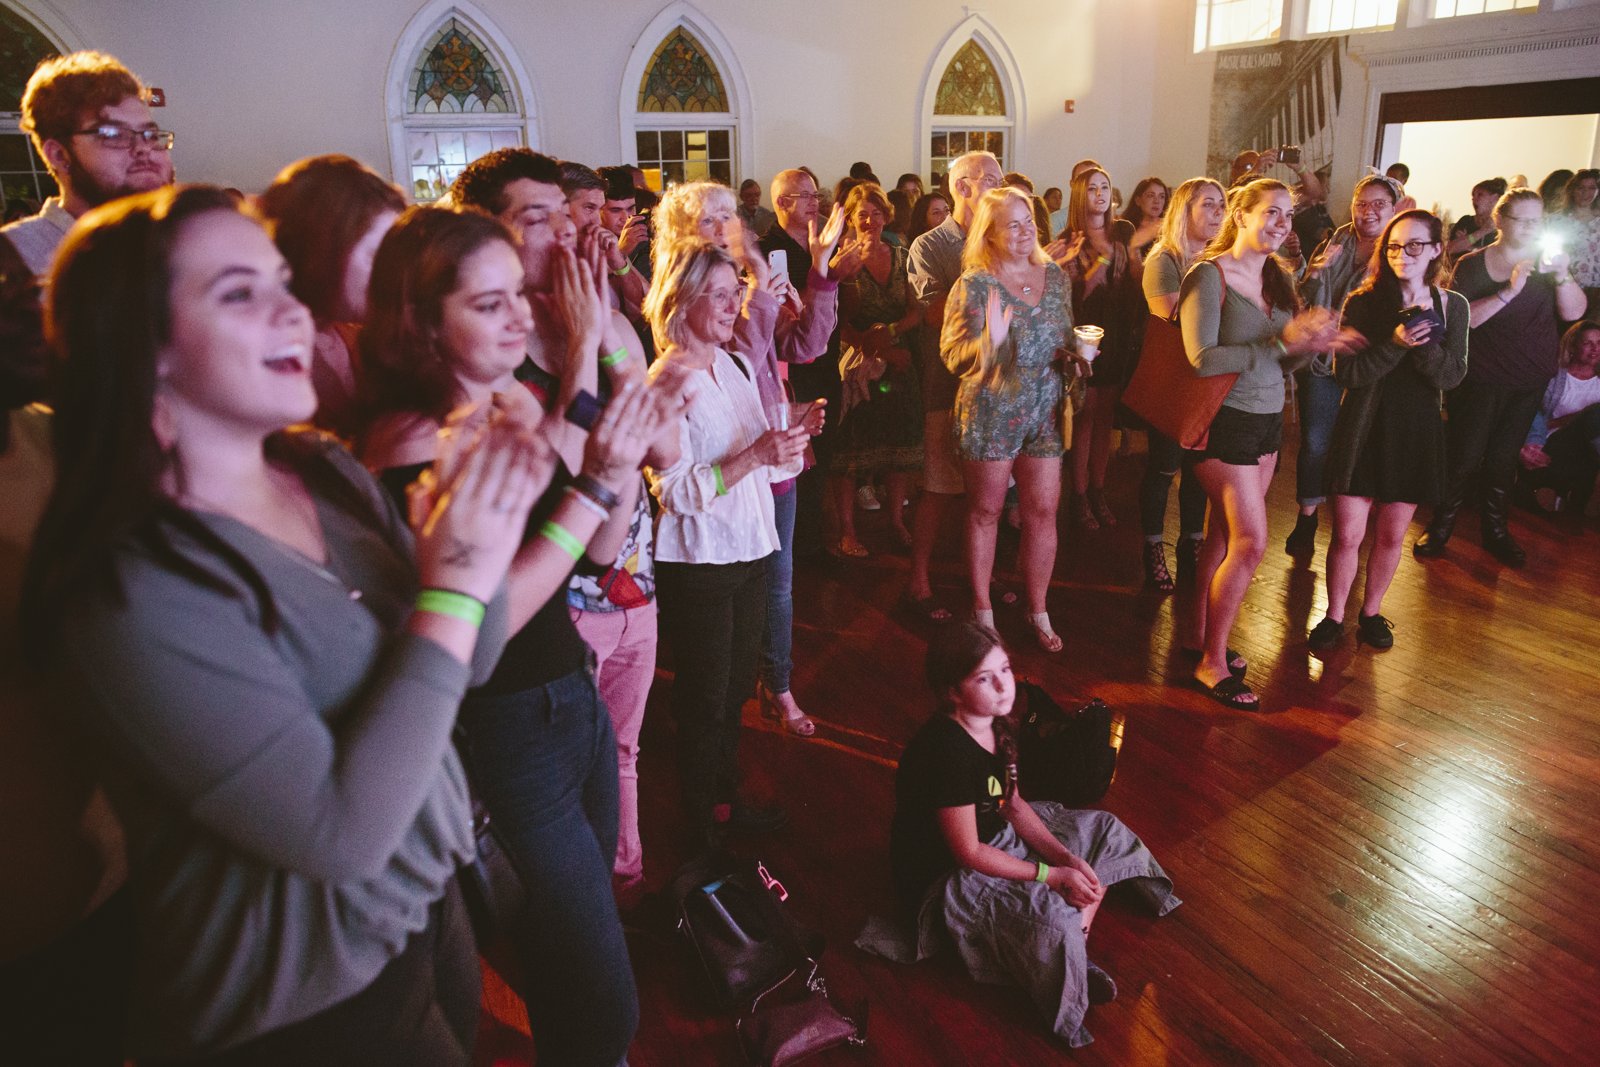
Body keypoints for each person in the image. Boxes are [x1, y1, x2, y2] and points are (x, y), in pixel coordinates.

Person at [24, 185, 538, 1064]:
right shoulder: (133, 588)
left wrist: (486, 531)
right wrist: (454, 587)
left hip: (422, 907)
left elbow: (470, 662)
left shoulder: (322, 467)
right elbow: (338, 833)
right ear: (142, 347)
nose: (292, 311)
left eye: (283, 282)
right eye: (239, 292)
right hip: (304, 1000)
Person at [358, 202, 677, 1066]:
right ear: (422, 322)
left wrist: (613, 453)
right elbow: (486, 623)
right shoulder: (412, 442)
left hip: (567, 689)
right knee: (602, 1005)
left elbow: (598, 547)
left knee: (580, 968)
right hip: (506, 721)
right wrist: (595, 480)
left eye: (516, 296)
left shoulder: (504, 408)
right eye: (487, 302)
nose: (517, 317)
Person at [887, 621, 1178, 1047]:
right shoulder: (947, 752)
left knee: (1104, 830)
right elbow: (968, 852)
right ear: (952, 693)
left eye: (1005, 670)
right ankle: (1070, 945)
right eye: (984, 679)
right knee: (1053, 919)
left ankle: (1070, 944)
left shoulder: (996, 724)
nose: (1002, 685)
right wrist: (1050, 876)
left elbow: (1014, 806)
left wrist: (1065, 859)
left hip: (994, 837)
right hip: (949, 875)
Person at [1, 206, 130, 1064]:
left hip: (119, 865)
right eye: (1, 289)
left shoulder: (53, 437)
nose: (24, 303)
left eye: (22, 284)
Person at [643, 240, 815, 851]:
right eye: (717, 294)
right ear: (681, 300)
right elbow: (673, 492)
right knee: (704, 699)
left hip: (750, 549)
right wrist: (755, 454)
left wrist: (791, 439)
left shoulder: (734, 364)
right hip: (701, 562)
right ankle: (699, 824)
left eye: (733, 291)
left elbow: (764, 465)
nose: (731, 304)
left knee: (737, 689)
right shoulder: (666, 382)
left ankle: (725, 796)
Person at [668, 175, 846, 737]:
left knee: (779, 585)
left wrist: (819, 276)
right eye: (709, 219)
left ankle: (777, 684)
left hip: (773, 451)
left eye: (729, 217)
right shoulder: (692, 302)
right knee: (737, 614)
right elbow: (739, 353)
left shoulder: (745, 284)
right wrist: (760, 292)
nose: (724, 228)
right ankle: (726, 717)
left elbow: (805, 346)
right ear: (683, 233)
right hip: (728, 469)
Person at [1178, 178, 1351, 710]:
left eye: (1288, 215)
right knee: (1251, 543)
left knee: (1221, 536)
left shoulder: (1279, 277)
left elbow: (1284, 361)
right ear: (1240, 214)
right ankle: (1211, 662)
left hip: (1268, 419)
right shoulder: (1209, 275)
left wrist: (1312, 344)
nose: (1281, 223)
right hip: (1221, 421)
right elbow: (1200, 358)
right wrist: (1279, 340)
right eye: (1271, 212)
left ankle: (1197, 637)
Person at [1310, 210, 1468, 651]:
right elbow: (1348, 374)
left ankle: (1371, 611)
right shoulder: (1363, 301)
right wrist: (1396, 344)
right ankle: (1333, 615)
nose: (1402, 254)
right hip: (1363, 428)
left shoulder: (1452, 305)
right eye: (1394, 246)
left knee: (1392, 534)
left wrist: (1423, 345)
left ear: (1436, 249)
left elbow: (1452, 376)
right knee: (1347, 534)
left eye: (1415, 245)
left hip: (1415, 431)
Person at [1414, 187, 1587, 566]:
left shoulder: (1549, 263)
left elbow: (1574, 313)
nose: (1529, 227)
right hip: (1481, 376)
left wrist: (1562, 276)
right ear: (1500, 221)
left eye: (1536, 221)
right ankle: (1440, 526)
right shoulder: (1473, 264)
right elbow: (1460, 320)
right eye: (1521, 220)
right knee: (1464, 456)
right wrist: (1509, 290)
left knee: (1502, 460)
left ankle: (1495, 531)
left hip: (1529, 379)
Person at [944, 187, 1077, 652]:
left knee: (1042, 511)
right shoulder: (975, 284)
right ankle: (982, 611)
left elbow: (1064, 337)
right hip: (991, 408)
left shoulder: (1055, 276)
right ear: (990, 234)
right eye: (1012, 225)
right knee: (986, 512)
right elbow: (952, 356)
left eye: (1029, 223)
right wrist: (989, 343)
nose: (1024, 232)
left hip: (1044, 406)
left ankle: (1038, 609)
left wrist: (1077, 357)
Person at [905, 150, 1002, 622]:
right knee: (940, 489)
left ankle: (978, 578)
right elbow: (932, 312)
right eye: (992, 181)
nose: (1001, 189)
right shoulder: (930, 245)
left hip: (996, 386)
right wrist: (986, 277)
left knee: (985, 499)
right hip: (948, 384)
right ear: (963, 187)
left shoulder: (1003, 239)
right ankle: (919, 577)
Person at [1285, 175, 1399, 556]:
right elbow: (1305, 295)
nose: (1369, 211)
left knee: (1358, 444)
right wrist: (1313, 270)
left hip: (1367, 363)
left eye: (1379, 204)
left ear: (1394, 208)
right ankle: (1307, 516)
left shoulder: (1398, 250)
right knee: (1315, 442)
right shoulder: (1335, 241)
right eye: (1361, 203)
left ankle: (1352, 527)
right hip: (1322, 358)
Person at [255, 155, 404, 439]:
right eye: (376, 255)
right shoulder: (272, 354)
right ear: (322, 252)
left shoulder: (359, 336)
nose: (393, 271)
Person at [1, 51, 174, 277]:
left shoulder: (181, 245)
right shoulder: (15, 258)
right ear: (59, 155)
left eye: (151, 135)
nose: (143, 147)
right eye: (113, 134)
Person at [1138, 177, 1226, 592]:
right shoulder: (1164, 259)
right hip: (1174, 378)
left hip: (1210, 378)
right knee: (1163, 466)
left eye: (1222, 205)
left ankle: (1192, 540)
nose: (1218, 212)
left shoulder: (1220, 260)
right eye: (1208, 204)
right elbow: (1171, 320)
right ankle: (1152, 545)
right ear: (1184, 211)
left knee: (1198, 468)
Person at [829, 182, 924, 552]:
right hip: (856, 361)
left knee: (899, 449)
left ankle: (896, 521)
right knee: (849, 453)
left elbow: (916, 310)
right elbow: (837, 318)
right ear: (851, 219)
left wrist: (893, 334)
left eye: (876, 213)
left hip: (898, 360)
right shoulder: (841, 259)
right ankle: (847, 530)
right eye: (862, 215)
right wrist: (870, 346)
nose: (869, 221)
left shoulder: (902, 256)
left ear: (887, 216)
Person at [1053, 166, 1142, 530]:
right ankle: (1078, 494)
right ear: (1080, 195)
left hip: (1117, 334)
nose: (1101, 194)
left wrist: (1140, 262)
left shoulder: (1122, 232)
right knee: (1085, 418)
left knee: (1106, 419)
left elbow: (1134, 284)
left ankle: (1098, 490)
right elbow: (1074, 297)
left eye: (1105, 187)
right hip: (1084, 339)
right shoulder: (1068, 240)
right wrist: (1100, 264)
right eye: (1092, 189)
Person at [1519, 320, 1600, 515]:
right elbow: (1531, 413)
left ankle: (1568, 496)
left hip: (1587, 453)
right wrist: (1575, 419)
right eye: (1587, 343)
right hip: (1553, 444)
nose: (1595, 349)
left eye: (1599, 343)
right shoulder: (1553, 377)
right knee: (1595, 414)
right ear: (1573, 346)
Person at [1552, 169, 1599, 312]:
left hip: (1597, 291)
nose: (1586, 193)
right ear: (1572, 190)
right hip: (1568, 286)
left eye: (1592, 188)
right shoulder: (1557, 221)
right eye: (1581, 188)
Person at [1445, 178, 1506, 261]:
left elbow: (1498, 257)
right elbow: (1451, 249)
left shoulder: (1503, 227)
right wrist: (1483, 231)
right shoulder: (1466, 221)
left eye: (1480, 195)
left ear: (1494, 198)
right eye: (1473, 195)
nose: (1474, 199)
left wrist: (1467, 245)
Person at [1121, 177, 1169, 259]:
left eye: (1162, 196)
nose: (1157, 201)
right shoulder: (1125, 227)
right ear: (1138, 200)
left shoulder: (1170, 228)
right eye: (1151, 196)